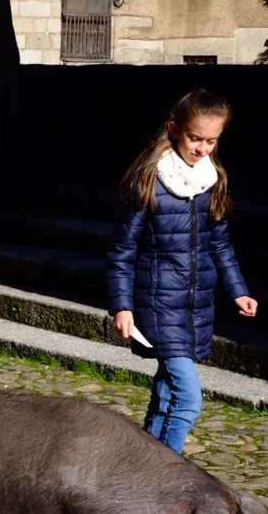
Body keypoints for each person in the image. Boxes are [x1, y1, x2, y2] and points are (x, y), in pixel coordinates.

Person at [107, 89, 257, 455]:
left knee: (165, 394)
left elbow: (219, 244)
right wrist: (122, 306)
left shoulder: (212, 180)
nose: (203, 147)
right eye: (195, 138)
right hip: (157, 304)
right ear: (175, 129)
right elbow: (123, 250)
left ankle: (141, 465)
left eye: (211, 140)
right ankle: (168, 478)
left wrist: (237, 289)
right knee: (188, 399)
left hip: (195, 307)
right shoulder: (149, 180)